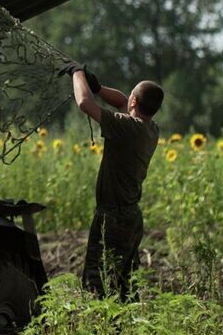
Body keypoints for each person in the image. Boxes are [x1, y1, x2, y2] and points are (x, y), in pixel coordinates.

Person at [64, 63, 164, 298]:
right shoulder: (151, 128)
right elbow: (120, 102)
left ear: (133, 103)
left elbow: (84, 104)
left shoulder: (127, 127)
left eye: (130, 97)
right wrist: (97, 87)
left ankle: (106, 329)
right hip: (130, 217)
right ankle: (126, 329)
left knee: (99, 282)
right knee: (125, 284)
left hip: (113, 218)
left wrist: (76, 73)